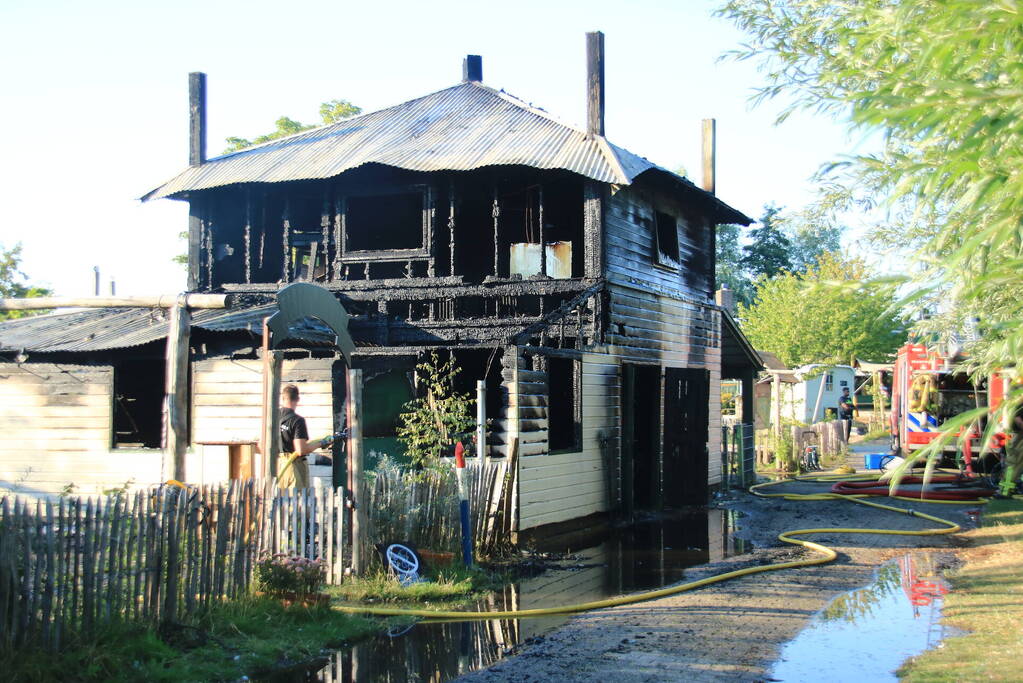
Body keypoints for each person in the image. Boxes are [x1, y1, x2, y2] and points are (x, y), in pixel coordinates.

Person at [278, 384, 334, 489]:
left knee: (277, 497)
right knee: (297, 498)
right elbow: (300, 450)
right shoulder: (297, 420)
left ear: (283, 398)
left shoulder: (273, 417)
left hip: (276, 466)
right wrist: (321, 443)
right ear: (297, 399)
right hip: (292, 466)